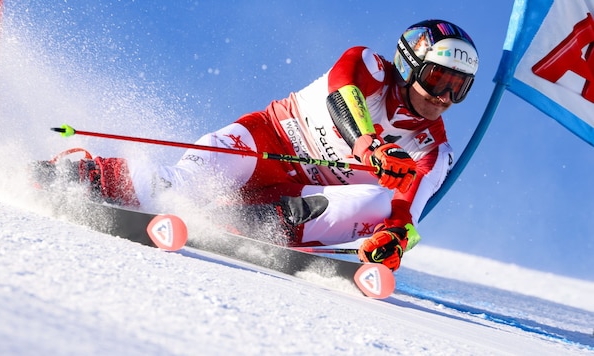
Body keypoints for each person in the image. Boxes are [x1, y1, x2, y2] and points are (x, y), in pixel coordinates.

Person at [34, 19, 479, 272]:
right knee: (182, 182)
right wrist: (368, 146)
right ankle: (90, 176)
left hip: (296, 199)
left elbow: (408, 216)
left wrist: (395, 242)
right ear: (408, 65)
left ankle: (246, 226)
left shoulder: (431, 150)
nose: (443, 98)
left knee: (379, 202)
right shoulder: (368, 64)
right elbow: (342, 96)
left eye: (459, 89)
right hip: (266, 143)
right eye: (438, 79)